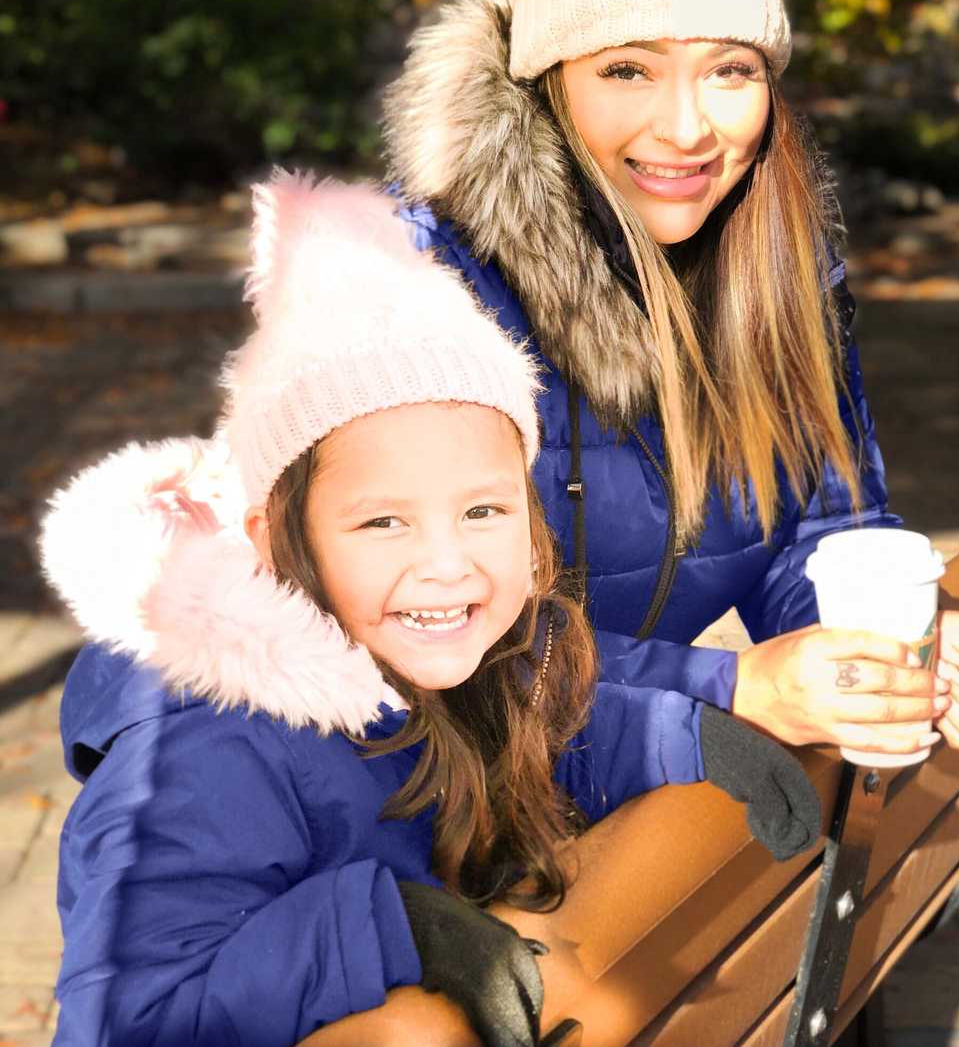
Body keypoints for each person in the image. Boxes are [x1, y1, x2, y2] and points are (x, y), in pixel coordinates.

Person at [41, 173, 820, 1047]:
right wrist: (391, 927)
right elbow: (124, 1022)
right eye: (383, 521)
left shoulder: (449, 654)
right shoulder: (203, 748)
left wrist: (681, 738)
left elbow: (550, 730)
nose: (447, 565)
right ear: (272, 537)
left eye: (482, 510)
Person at [382, 0, 959, 758]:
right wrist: (731, 684)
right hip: (397, 819)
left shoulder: (782, 270)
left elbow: (820, 529)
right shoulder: (427, 288)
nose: (686, 128)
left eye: (730, 70)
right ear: (550, 79)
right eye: (627, 70)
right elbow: (410, 637)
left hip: (597, 787)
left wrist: (894, 640)